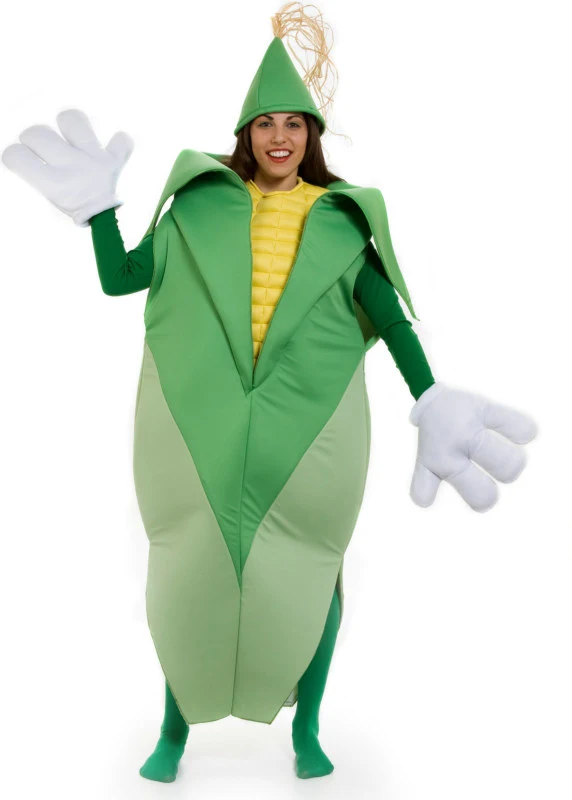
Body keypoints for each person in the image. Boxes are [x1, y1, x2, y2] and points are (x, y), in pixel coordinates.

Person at [1, 1, 536, 785]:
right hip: (200, 418)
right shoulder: (197, 207)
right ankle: (173, 729)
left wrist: (430, 396)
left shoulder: (342, 222)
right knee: (187, 573)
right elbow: (123, 280)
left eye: (293, 124)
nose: (279, 136)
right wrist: (100, 214)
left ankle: (308, 726)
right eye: (264, 124)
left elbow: (387, 315)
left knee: (312, 568)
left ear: (311, 136)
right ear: (245, 134)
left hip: (311, 425)